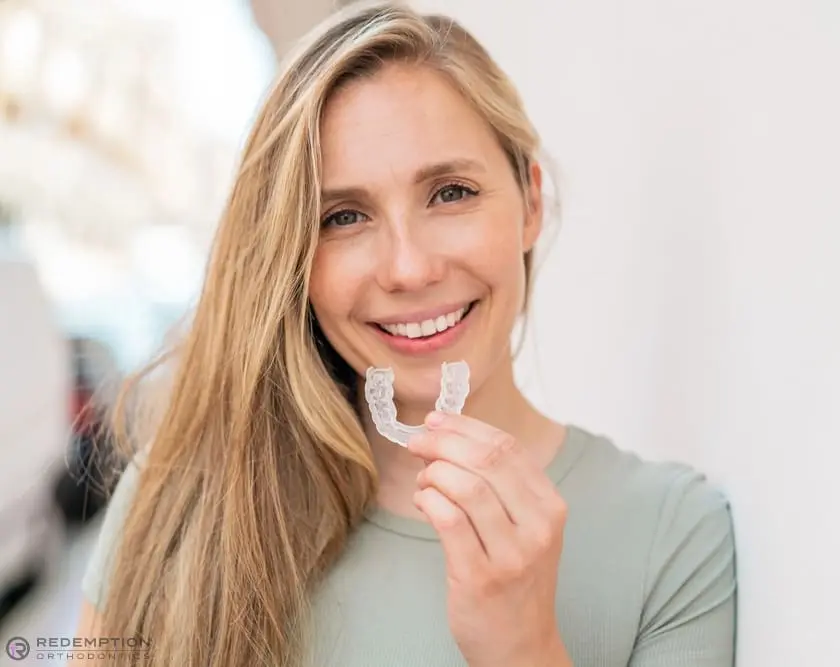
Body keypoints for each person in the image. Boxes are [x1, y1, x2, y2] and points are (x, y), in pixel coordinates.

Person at [76, 2, 737, 666]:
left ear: (530, 203)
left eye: (451, 192)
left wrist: (525, 648)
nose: (409, 268)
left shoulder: (674, 539)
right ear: (292, 258)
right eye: (343, 216)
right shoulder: (178, 504)